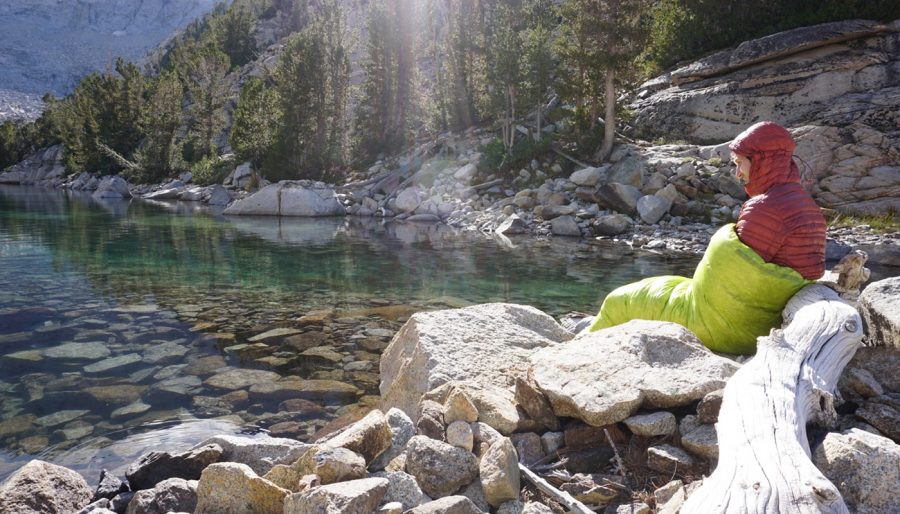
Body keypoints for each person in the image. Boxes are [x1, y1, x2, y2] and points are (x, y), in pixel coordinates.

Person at [587, 121, 826, 354]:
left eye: (740, 164)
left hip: (723, 325)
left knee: (617, 301)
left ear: (761, 161)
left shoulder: (765, 208)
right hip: (761, 319)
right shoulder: (809, 207)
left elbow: (734, 279)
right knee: (666, 284)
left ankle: (584, 349)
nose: (738, 173)